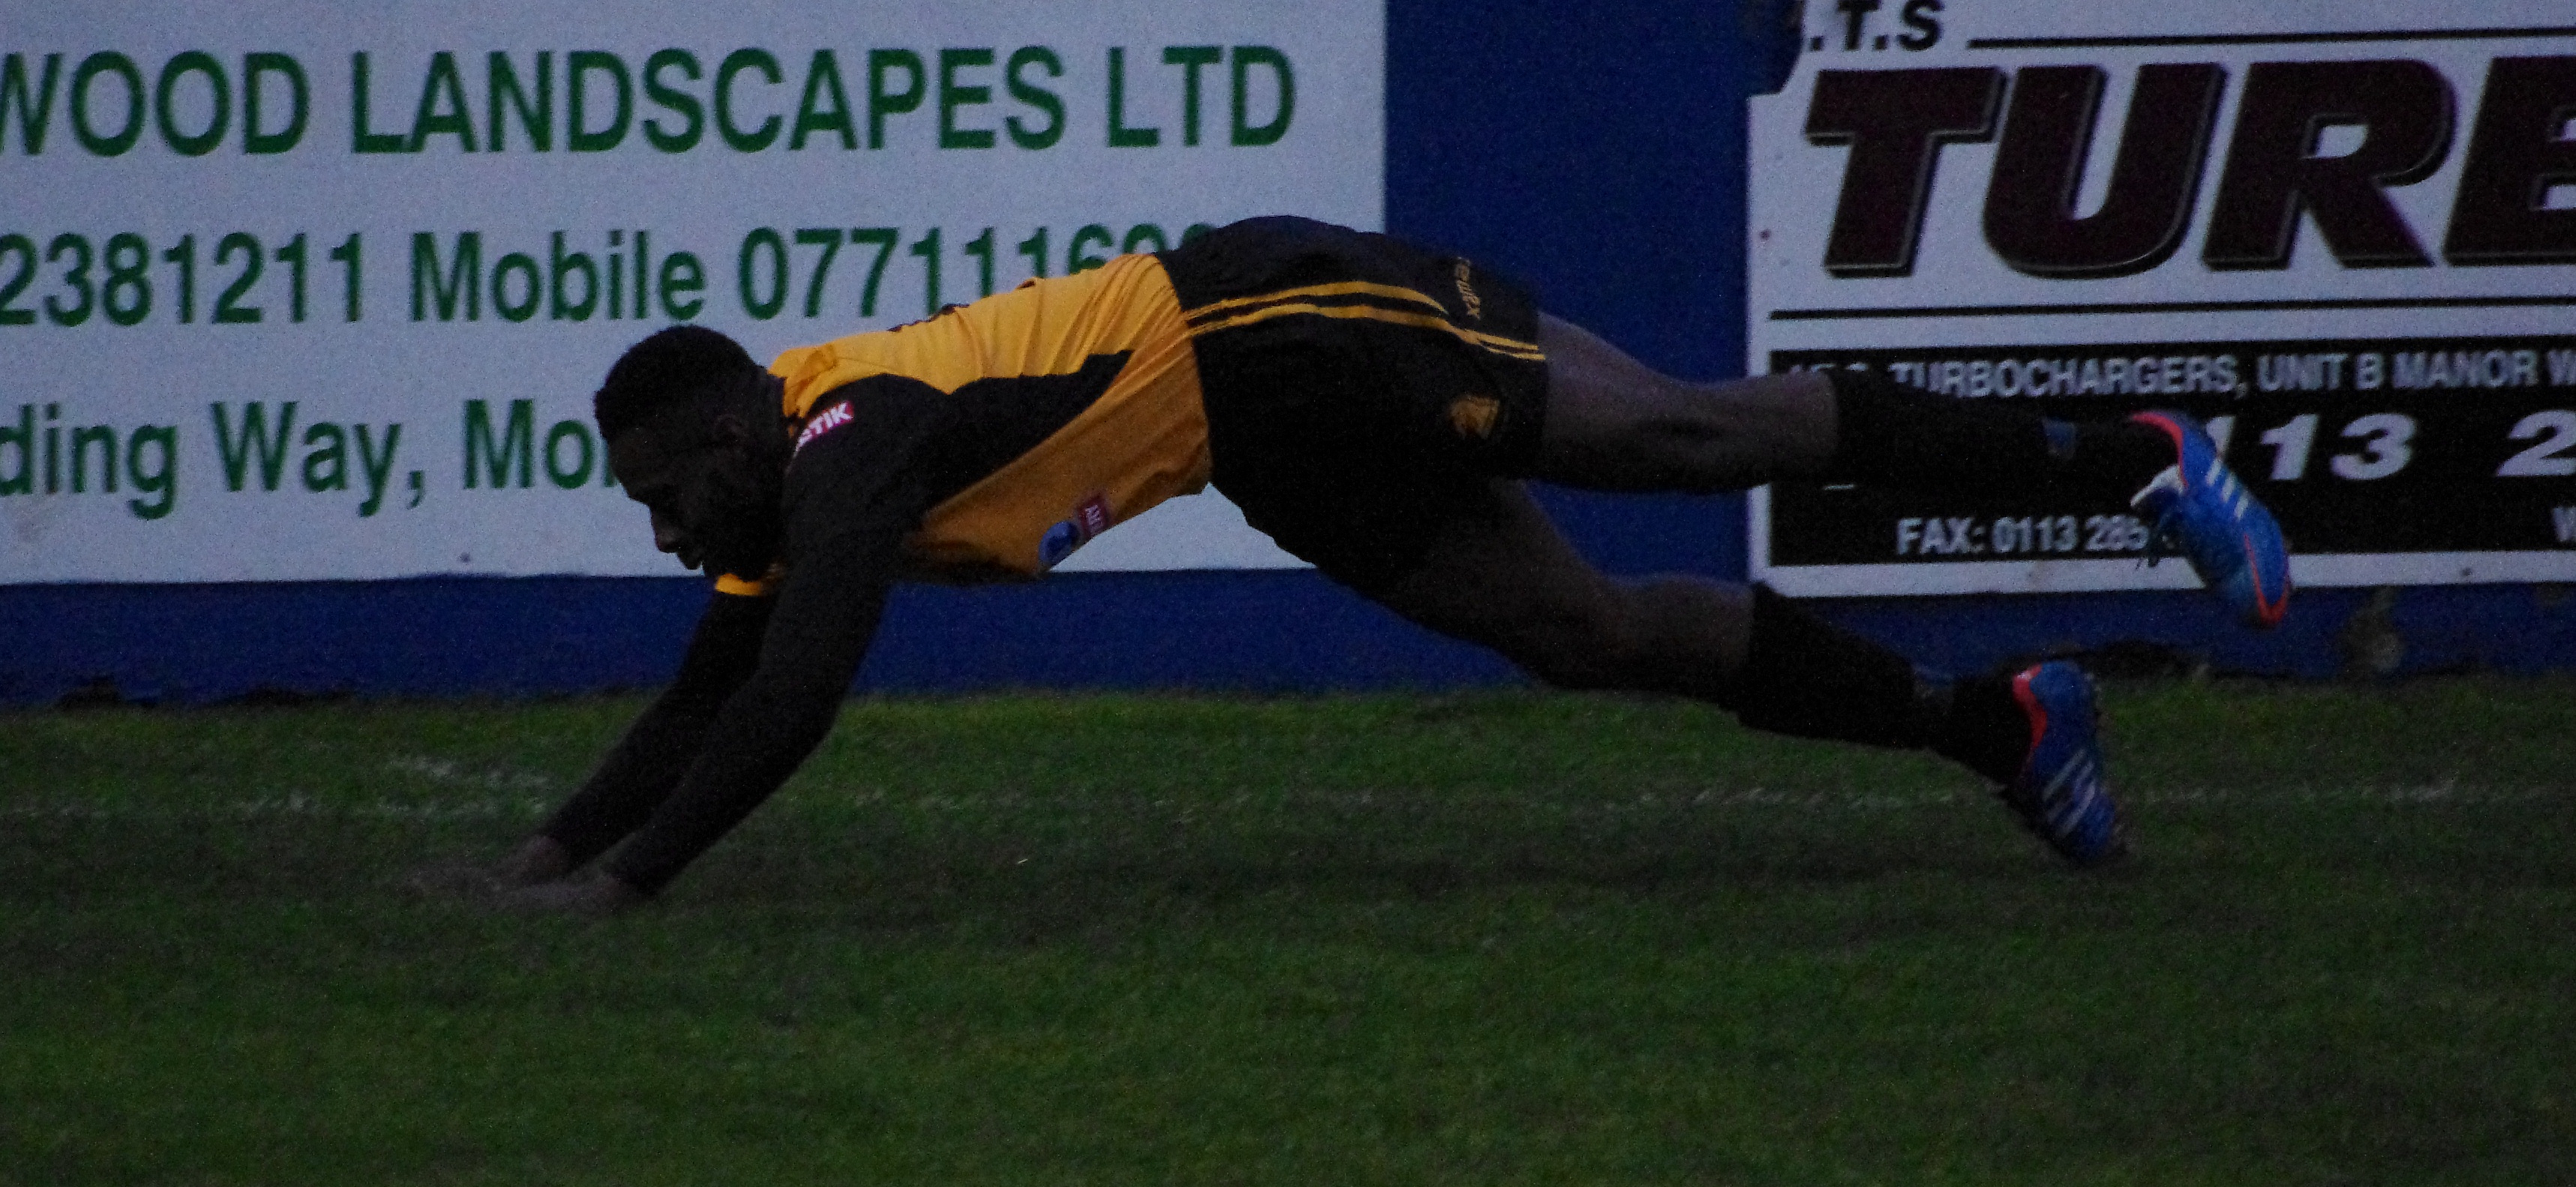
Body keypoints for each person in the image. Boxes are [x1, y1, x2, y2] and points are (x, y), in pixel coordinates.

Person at [429, 215, 2289, 915]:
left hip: (1278, 320)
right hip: (1255, 440)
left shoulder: (848, 450)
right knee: (1585, 633)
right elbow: (703, 687)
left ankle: (2131, 455)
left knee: (1678, 437)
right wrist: (546, 850)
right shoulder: (787, 480)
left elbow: (794, 690)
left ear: (729, 442)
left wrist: (631, 888)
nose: (663, 533)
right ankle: (2005, 722)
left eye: (659, 497)